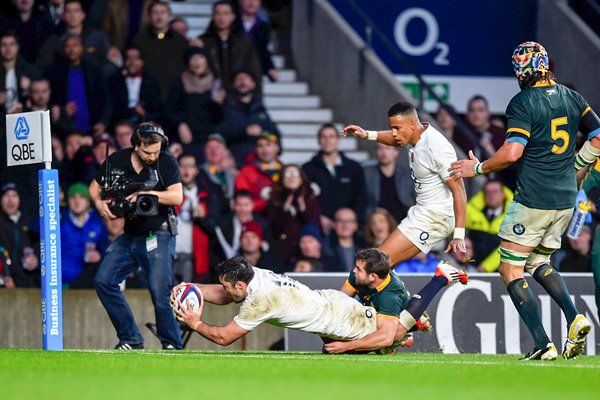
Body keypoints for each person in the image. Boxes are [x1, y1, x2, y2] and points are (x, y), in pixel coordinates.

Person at [449, 41, 600, 360]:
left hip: (534, 198)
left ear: (521, 71)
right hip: (564, 200)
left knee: (510, 269)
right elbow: (598, 135)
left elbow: (513, 152)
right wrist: (576, 164)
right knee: (538, 262)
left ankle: (543, 343)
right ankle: (574, 317)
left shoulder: (523, 102)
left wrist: (476, 167)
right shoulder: (572, 96)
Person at [172, 250, 467, 352]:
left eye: (228, 286)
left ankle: (439, 278)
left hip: (341, 319)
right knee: (372, 344)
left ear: (240, 283)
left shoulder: (260, 300)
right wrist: (191, 287)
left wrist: (195, 323)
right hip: (330, 306)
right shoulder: (254, 274)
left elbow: (224, 337)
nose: (224, 291)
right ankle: (402, 335)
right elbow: (225, 294)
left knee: (391, 333)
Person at [89, 121, 183, 349]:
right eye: (147, 151)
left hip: (159, 233)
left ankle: (172, 344)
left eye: (156, 151)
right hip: (130, 234)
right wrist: (98, 202)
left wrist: (147, 193)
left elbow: (177, 196)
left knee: (160, 290)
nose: (152, 156)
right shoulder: (118, 160)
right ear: (135, 145)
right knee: (103, 280)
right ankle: (130, 338)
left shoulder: (167, 161)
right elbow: (94, 186)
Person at [340, 101, 468, 270]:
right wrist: (367, 135)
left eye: (396, 128)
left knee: (374, 265)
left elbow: (459, 190)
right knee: (379, 266)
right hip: (422, 213)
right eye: (391, 128)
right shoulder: (414, 135)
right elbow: (394, 138)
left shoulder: (436, 147)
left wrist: (459, 233)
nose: (393, 133)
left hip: (435, 217)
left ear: (413, 124)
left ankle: (343, 297)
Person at [303, 123, 367, 232]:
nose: (327, 140)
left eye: (331, 136)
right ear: (319, 141)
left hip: (348, 227)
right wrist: (318, 218)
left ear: (338, 140)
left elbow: (361, 197)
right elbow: (305, 198)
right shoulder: (308, 168)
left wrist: (350, 221)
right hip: (320, 225)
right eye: (323, 137)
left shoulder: (353, 167)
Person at [266, 164, 321, 265]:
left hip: (305, 253)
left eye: (295, 174)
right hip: (282, 251)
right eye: (287, 174)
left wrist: (303, 210)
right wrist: (284, 210)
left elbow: (315, 225)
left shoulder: (310, 198)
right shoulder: (275, 200)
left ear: (301, 178)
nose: (291, 177)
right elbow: (273, 228)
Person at [132, 0, 189, 100]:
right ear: (149, 16)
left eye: (163, 12)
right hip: (147, 94)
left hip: (173, 94)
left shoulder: (180, 41)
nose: (159, 16)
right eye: (155, 13)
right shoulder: (139, 40)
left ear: (169, 15)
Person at [60, 182, 109, 288]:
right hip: (58, 282)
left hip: (86, 283)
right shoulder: (58, 220)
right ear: (68, 201)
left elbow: (106, 250)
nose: (77, 201)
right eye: (73, 197)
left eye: (82, 197)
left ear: (88, 202)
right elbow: (35, 230)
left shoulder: (97, 223)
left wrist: (99, 256)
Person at [465, 179, 513, 272]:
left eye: (495, 192)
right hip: (471, 268)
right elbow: (453, 229)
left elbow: (510, 247)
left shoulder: (515, 216)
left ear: (503, 194)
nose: (491, 196)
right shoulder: (471, 211)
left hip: (502, 270)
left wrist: (485, 267)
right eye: (487, 192)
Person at [363, 143, 415, 223]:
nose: (384, 152)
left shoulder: (407, 175)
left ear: (396, 152)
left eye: (388, 148)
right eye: (380, 148)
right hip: (375, 223)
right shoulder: (367, 174)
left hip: (403, 221)